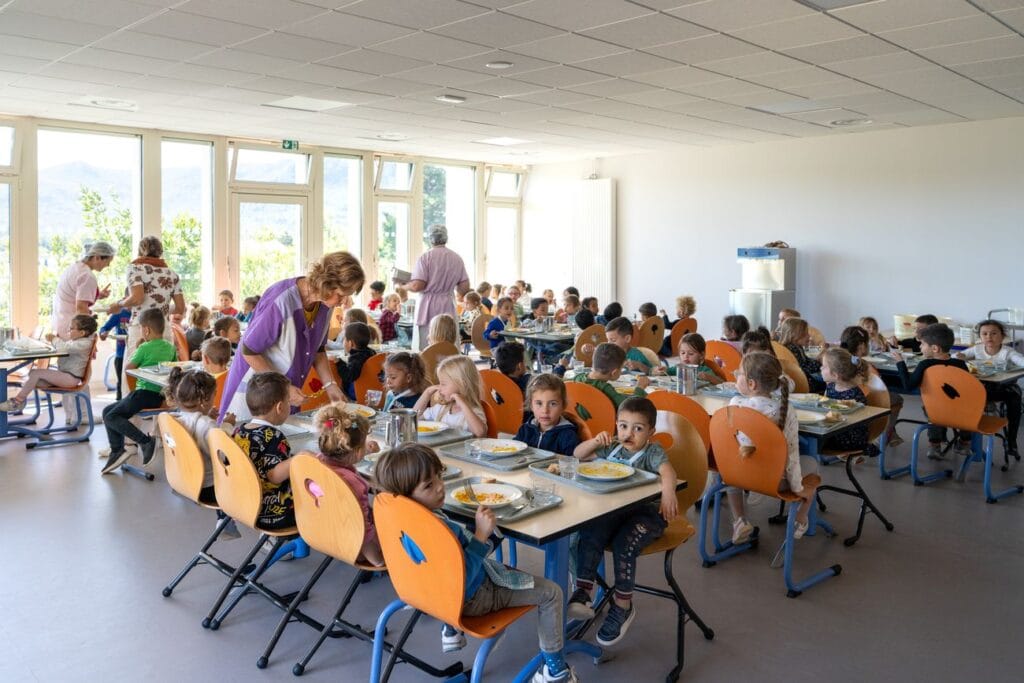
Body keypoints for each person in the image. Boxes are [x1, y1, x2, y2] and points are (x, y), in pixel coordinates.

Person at [374, 444, 579, 683]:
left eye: (439, 475)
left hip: (426, 594)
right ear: (406, 493)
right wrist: (481, 535)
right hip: (472, 598)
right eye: (428, 485)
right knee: (552, 592)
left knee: (484, 538)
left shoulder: (403, 517)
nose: (440, 486)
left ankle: (450, 628)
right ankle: (555, 670)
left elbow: (442, 568)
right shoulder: (438, 532)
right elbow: (461, 578)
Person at [569, 396, 677, 646]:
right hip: (615, 511)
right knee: (590, 530)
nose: (629, 433)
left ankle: (623, 606)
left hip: (647, 515)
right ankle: (583, 592)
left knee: (623, 545)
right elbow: (578, 454)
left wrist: (668, 493)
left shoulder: (652, 452)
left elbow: (668, 472)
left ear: (650, 432)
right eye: (623, 426)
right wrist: (595, 441)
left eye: (638, 428)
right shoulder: (613, 446)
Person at [220, 251, 364, 422]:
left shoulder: (325, 305)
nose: (343, 301)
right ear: (326, 284)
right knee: (245, 434)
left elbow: (318, 350)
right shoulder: (281, 300)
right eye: (340, 295)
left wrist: (330, 385)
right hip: (254, 389)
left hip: (284, 391)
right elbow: (249, 350)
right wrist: (284, 387)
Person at [727, 352, 818, 542]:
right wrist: (797, 488)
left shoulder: (734, 405)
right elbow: (792, 455)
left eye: (739, 373)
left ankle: (740, 521)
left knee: (733, 465)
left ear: (752, 384)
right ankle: (801, 517)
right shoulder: (785, 410)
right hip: (772, 482)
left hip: (738, 475)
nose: (735, 375)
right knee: (811, 463)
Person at [163, 366, 240, 539]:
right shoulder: (206, 425)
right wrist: (227, 425)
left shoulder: (177, 419)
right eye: (214, 395)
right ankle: (231, 519)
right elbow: (223, 455)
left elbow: (197, 438)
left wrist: (208, 417)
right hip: (210, 488)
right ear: (204, 400)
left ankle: (225, 519)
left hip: (185, 481)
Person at [100, 309, 178, 474]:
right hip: (159, 396)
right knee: (107, 411)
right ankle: (117, 451)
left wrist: (138, 349)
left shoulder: (144, 347)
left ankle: (144, 442)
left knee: (111, 416)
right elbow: (175, 368)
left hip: (143, 394)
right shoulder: (170, 347)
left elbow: (128, 368)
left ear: (146, 330)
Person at [310, 405, 384, 566]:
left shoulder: (317, 462)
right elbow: (363, 530)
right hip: (352, 545)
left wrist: (365, 450)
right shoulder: (352, 485)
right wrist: (378, 561)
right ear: (356, 451)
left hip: (321, 531)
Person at [107, 236, 186, 386]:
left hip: (141, 328)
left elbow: (137, 298)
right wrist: (160, 309)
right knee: (166, 377)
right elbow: (180, 308)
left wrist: (119, 304)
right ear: (160, 251)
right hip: (163, 329)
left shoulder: (135, 268)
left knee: (132, 374)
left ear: (141, 250)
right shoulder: (172, 274)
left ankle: (133, 401)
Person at [892, 323, 970, 460]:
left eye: (922, 344)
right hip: (960, 411)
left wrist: (900, 362)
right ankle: (964, 443)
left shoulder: (925, 365)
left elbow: (908, 386)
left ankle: (935, 446)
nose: (920, 347)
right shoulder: (961, 364)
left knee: (934, 410)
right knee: (962, 410)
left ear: (935, 348)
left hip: (936, 411)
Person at [232, 372, 297, 529]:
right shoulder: (274, 437)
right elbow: (274, 476)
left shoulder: (240, 431)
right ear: (280, 407)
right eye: (289, 401)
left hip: (245, 505)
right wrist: (298, 459)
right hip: (275, 513)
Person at [0, 314, 97, 412]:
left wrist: (54, 339)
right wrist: (50, 343)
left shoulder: (84, 344)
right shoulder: (75, 341)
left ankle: (17, 402)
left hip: (71, 378)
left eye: (71, 329)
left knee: (35, 373)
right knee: (31, 378)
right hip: (66, 376)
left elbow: (64, 348)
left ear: (82, 333)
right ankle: (22, 400)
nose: (68, 330)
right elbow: (63, 347)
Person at [957, 319, 1024, 456]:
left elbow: (1021, 360)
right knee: (963, 395)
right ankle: (964, 439)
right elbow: (955, 357)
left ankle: (1011, 441)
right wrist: (960, 357)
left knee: (1015, 396)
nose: (989, 337)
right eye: (985, 334)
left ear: (1002, 336)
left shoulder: (1007, 351)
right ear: (980, 337)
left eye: (994, 333)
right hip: (979, 389)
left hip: (1000, 390)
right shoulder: (977, 349)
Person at [403, 224, 470, 350]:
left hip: (428, 306)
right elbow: (464, 288)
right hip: (448, 305)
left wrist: (405, 286)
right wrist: (448, 284)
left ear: (430, 238)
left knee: (426, 346)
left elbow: (417, 286)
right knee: (448, 343)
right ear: (446, 238)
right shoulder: (456, 258)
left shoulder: (425, 257)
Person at [840, 326, 904, 445]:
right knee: (897, 399)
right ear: (861, 346)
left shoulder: (837, 361)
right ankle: (883, 434)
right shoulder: (864, 366)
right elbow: (879, 388)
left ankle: (889, 433)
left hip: (840, 400)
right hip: (864, 401)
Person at [51, 240, 114, 339]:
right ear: (97, 257)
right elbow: (81, 308)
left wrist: (97, 295)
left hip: (61, 322)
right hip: (73, 328)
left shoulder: (74, 268)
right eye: (107, 262)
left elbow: (74, 295)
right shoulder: (87, 276)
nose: (108, 265)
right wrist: (89, 333)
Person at [413, 355, 488, 437]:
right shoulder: (441, 409)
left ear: (462, 385)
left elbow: (480, 433)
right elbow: (413, 418)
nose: (439, 388)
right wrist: (427, 393)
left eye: (443, 384)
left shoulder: (474, 411)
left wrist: (463, 404)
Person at [820, 348, 874, 453]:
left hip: (849, 437)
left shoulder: (854, 395)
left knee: (809, 440)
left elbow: (853, 424)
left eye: (824, 366)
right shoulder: (831, 386)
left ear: (835, 375)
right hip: (834, 429)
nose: (820, 368)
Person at [514, 374, 581, 455]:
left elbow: (572, 461)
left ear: (563, 406)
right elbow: (514, 453)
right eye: (539, 403)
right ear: (531, 405)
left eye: (553, 404)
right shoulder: (525, 429)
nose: (545, 411)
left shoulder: (568, 435)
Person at [571, 343, 648, 407]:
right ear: (614, 373)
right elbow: (631, 406)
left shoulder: (577, 378)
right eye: (621, 368)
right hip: (604, 421)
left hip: (578, 420)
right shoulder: (605, 389)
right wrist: (640, 388)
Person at [774, 317, 824, 392]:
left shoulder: (793, 347)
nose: (809, 337)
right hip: (804, 383)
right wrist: (820, 362)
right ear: (796, 335)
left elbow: (806, 362)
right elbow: (803, 369)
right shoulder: (792, 348)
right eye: (806, 334)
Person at [659, 333, 724, 385]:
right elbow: (666, 371)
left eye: (690, 353)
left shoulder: (704, 370)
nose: (686, 356)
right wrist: (661, 370)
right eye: (683, 353)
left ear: (701, 355)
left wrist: (709, 377)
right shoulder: (679, 368)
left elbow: (722, 383)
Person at [336, 322, 377, 401]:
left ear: (350, 343)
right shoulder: (371, 352)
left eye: (344, 339)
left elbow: (349, 376)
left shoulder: (356, 358)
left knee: (336, 383)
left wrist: (339, 362)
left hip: (356, 393)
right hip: (370, 388)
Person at [99, 305, 131, 400]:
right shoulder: (119, 313)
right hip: (121, 355)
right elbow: (104, 328)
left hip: (137, 355)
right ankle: (119, 402)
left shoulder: (142, 312)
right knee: (122, 382)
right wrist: (103, 333)